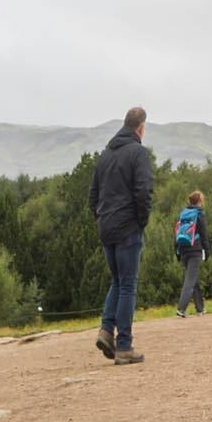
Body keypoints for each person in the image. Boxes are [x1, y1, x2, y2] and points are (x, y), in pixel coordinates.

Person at [89, 107, 154, 363]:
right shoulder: (138, 153)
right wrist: (141, 220)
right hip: (127, 226)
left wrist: (103, 218)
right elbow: (144, 190)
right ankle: (124, 346)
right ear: (140, 127)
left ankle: (107, 330)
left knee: (117, 281)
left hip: (106, 226)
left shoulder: (105, 155)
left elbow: (92, 196)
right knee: (127, 284)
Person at [171, 188, 209, 317]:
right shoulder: (199, 214)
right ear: (199, 201)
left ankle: (200, 308)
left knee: (193, 278)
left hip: (183, 249)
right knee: (190, 280)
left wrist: (177, 251)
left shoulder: (182, 214)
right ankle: (181, 308)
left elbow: (176, 232)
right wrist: (207, 251)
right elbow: (203, 234)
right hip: (195, 250)